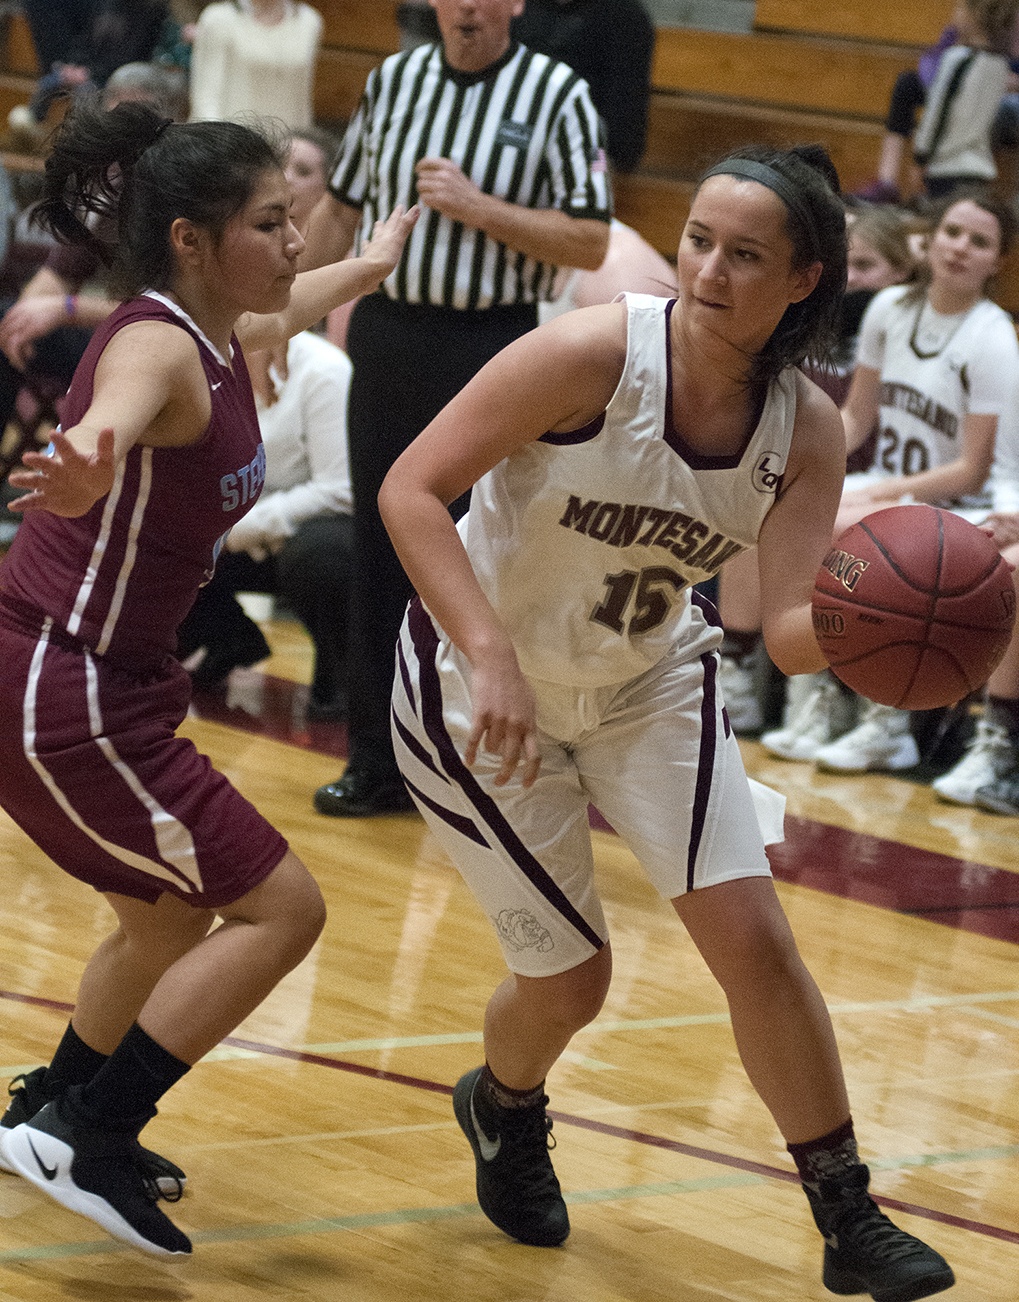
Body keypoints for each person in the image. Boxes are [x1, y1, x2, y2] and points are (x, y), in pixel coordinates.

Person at [377, 143, 955, 1301]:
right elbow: (407, 489)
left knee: (756, 943)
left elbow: (775, 622)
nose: (707, 269)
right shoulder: (591, 353)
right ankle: (503, 1106)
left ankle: (847, 1216)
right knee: (572, 983)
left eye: (744, 255)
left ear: (803, 280)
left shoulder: (806, 430)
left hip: (649, 683)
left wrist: (880, 625)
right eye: (697, 240)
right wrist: (485, 650)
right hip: (478, 687)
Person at [0, 97, 415, 1256]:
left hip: (96, 683)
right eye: (271, 222)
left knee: (161, 916)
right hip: (62, 688)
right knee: (283, 909)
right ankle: (89, 1130)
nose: (295, 241)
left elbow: (299, 297)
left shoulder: (228, 320)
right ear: (190, 237)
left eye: (297, 217)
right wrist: (92, 459)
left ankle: (48, 1111)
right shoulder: (157, 344)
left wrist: (369, 262)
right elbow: (123, 405)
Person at [304, 0, 612, 818]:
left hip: (491, 347)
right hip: (390, 333)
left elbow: (589, 240)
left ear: (514, 4)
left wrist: (480, 209)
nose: (468, 5)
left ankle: (484, 763)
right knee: (381, 543)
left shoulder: (557, 92)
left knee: (485, 553)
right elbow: (338, 208)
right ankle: (378, 758)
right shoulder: (392, 80)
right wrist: (278, 308)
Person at [808, 189, 1019, 774]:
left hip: (961, 496)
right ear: (930, 238)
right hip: (896, 483)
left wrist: (876, 494)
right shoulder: (889, 309)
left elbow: (972, 469)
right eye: (953, 232)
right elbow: (855, 418)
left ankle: (886, 718)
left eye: (980, 242)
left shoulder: (992, 337)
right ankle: (811, 697)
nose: (960, 249)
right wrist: (807, 464)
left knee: (851, 527)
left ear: (997, 262)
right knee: (791, 509)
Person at [0, 62, 190, 477]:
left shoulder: (178, 194)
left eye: (133, 123)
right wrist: (24, 318)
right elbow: (60, 269)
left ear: (171, 123)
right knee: (4, 324)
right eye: (113, 119)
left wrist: (63, 308)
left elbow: (169, 313)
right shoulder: (108, 181)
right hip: (108, 330)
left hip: (164, 346)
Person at [176, 328, 354, 721]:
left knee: (320, 556)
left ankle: (340, 673)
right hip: (236, 530)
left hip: (310, 535)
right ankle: (227, 635)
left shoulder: (325, 370)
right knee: (159, 528)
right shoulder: (196, 361)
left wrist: (241, 529)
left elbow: (340, 490)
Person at [856, 0, 1019, 203]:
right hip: (979, 171)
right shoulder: (1001, 65)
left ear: (974, 15)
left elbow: (937, 114)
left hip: (946, 168)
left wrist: (920, 159)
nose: (954, 13)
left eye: (960, 7)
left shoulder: (956, 59)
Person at [511, 0, 656, 173]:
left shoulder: (625, 17)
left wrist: (591, 172)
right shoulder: (517, 9)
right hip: (513, 137)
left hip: (587, 152)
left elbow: (623, 141)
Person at [7, 0, 170, 149]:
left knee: (85, 93)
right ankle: (32, 122)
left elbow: (131, 56)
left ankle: (82, 141)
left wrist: (89, 73)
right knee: (50, 82)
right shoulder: (104, 5)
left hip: (112, 75)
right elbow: (85, 43)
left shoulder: (149, 12)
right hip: (87, 69)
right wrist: (74, 66)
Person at [187, 0, 322, 130]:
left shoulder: (309, 20)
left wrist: (303, 141)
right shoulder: (218, 18)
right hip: (232, 140)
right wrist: (216, 144)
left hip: (288, 140)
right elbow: (206, 95)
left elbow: (303, 98)